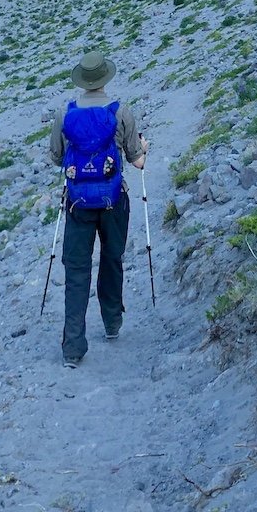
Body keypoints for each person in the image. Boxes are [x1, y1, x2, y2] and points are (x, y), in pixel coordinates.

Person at [49, 50, 148, 367]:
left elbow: (55, 157)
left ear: (82, 80)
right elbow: (137, 161)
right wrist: (143, 147)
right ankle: (112, 322)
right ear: (106, 78)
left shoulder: (66, 115)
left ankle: (73, 348)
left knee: (77, 270)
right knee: (111, 257)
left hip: (78, 202)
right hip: (113, 198)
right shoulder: (122, 113)